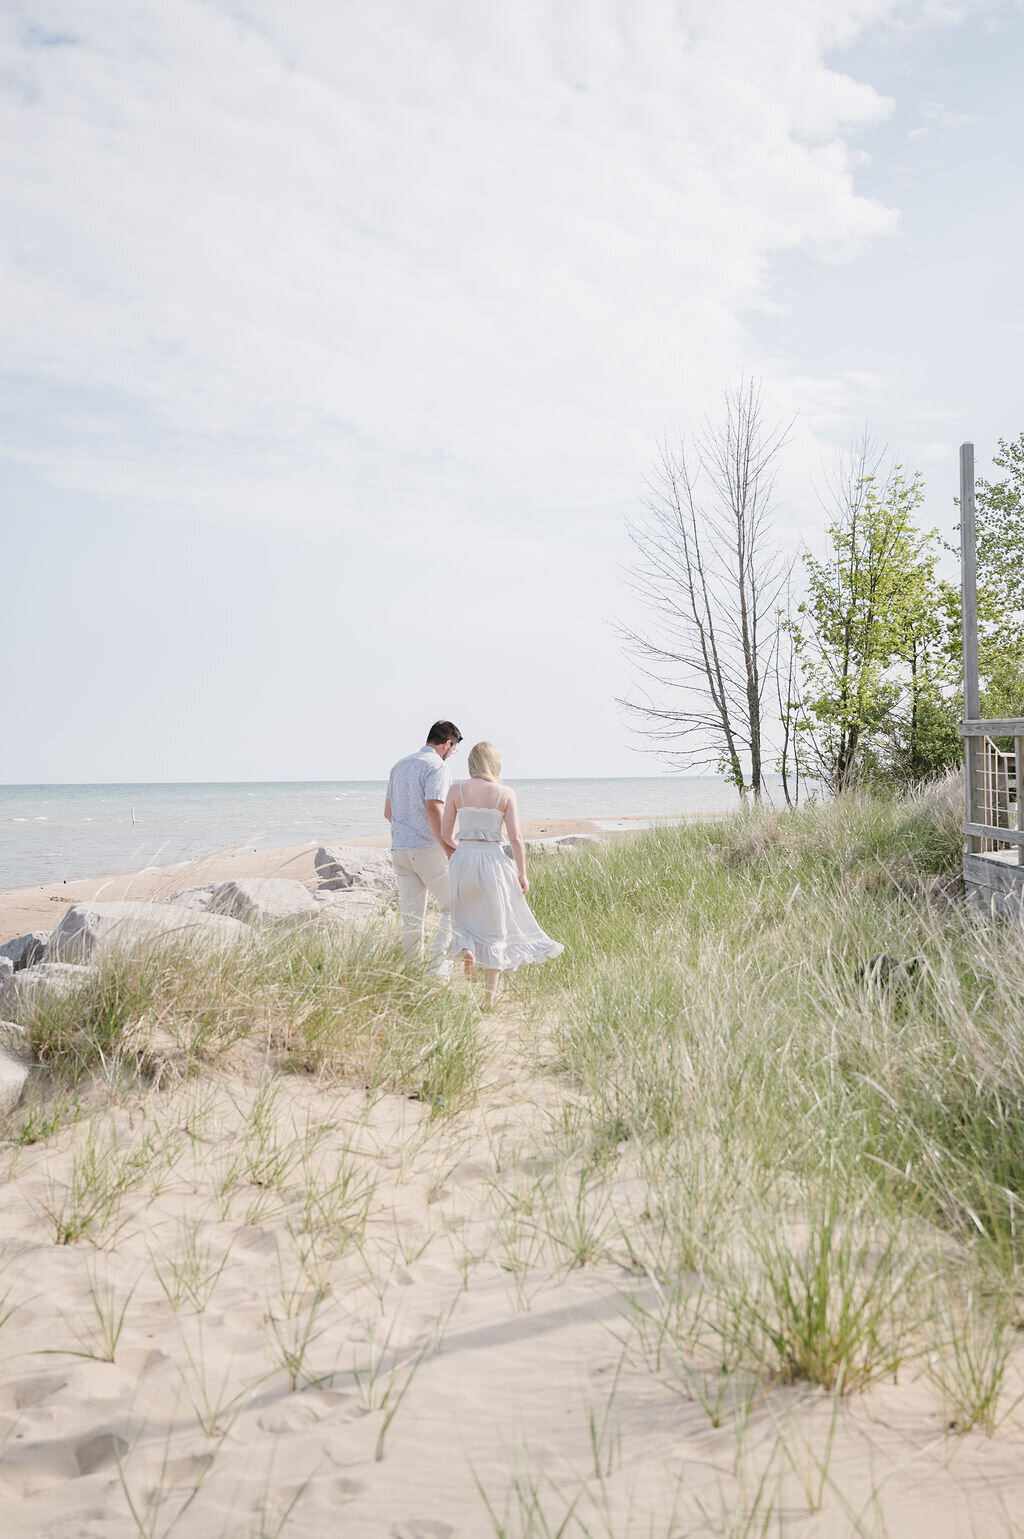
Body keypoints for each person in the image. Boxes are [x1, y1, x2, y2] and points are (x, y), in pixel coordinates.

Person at [441, 741, 562, 1007]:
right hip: (493, 861)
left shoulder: (456, 790)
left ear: (471, 763)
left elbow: (445, 835)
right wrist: (522, 873)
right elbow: (516, 838)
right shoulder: (505, 793)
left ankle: (469, 950)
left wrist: (462, 851)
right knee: (495, 930)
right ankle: (489, 1001)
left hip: (463, 861)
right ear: (495, 763)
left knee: (463, 920)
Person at [385, 720, 463, 969]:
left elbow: (388, 812)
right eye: (454, 749)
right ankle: (438, 972)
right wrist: (448, 846)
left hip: (400, 849)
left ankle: (411, 975)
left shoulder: (399, 766)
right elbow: (433, 808)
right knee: (455, 909)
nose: (452, 754)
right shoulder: (437, 766)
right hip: (427, 848)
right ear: (447, 744)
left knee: (411, 918)